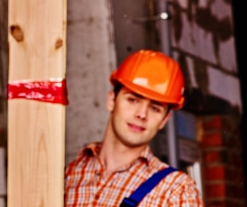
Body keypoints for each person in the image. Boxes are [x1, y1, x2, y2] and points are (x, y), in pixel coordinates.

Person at [64, 49, 204, 206]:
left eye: (155, 108)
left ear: (164, 120)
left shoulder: (175, 191)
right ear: (112, 101)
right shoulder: (68, 175)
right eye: (133, 100)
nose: (142, 114)